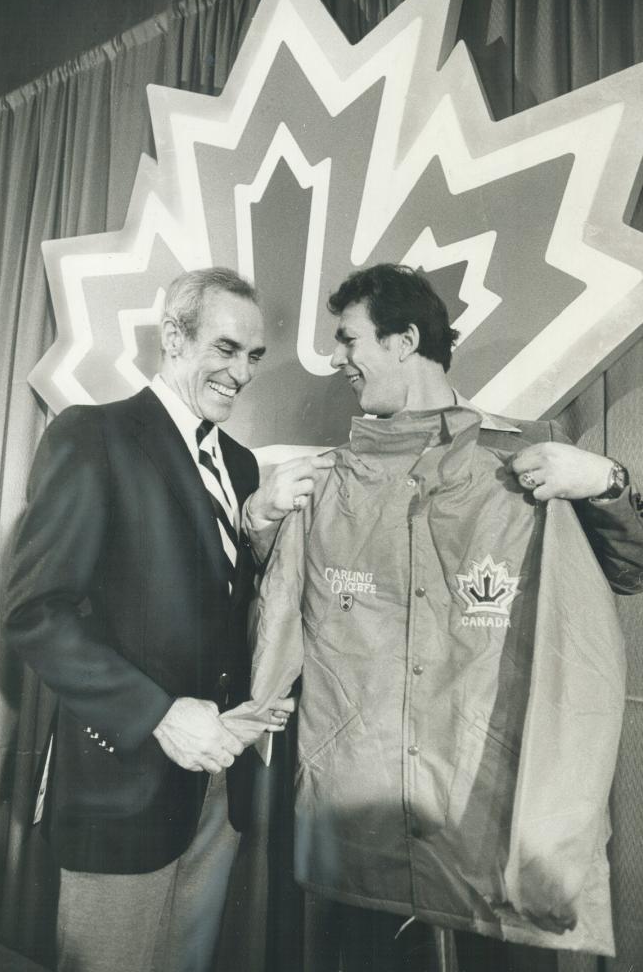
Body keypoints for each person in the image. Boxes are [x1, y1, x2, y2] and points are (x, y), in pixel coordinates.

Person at [243, 263, 643, 972]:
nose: (335, 360)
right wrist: (262, 527)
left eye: (347, 340)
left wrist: (608, 482)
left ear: (403, 342)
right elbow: (267, 631)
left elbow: (632, 568)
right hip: (361, 842)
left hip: (486, 836)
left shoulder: (529, 465)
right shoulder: (323, 485)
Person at [5, 267, 330, 972]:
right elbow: (34, 612)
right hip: (125, 785)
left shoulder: (241, 466)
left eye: (251, 356)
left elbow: (222, 601)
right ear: (174, 337)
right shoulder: (94, 435)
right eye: (224, 348)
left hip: (219, 790)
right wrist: (157, 713)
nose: (240, 372)